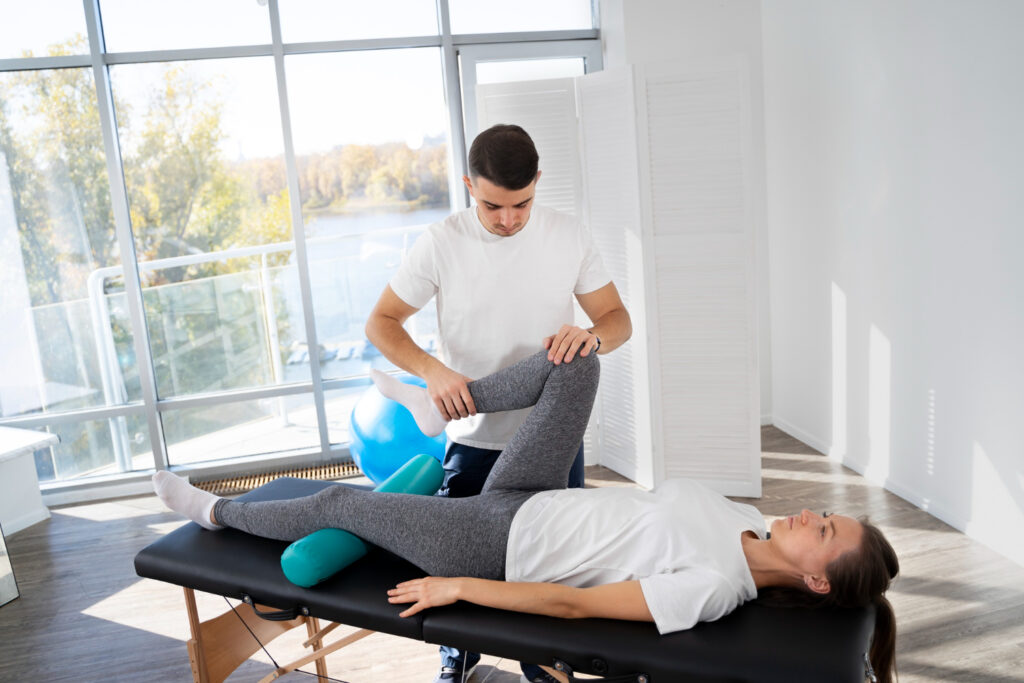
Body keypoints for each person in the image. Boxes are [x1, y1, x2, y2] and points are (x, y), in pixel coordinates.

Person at [154, 351, 900, 683]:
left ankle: (218, 511)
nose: (811, 513)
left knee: (344, 501)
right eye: (827, 512)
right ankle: (441, 403)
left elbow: (572, 604)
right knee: (579, 362)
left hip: (496, 544)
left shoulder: (712, 586)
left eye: (825, 530)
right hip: (535, 493)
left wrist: (460, 588)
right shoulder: (747, 516)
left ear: (815, 578)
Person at [364, 123, 632, 682]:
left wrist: (593, 338)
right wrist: (432, 370)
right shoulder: (440, 243)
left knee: (555, 571)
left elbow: (617, 319)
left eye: (521, 204)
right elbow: (381, 323)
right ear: (468, 185)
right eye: (492, 206)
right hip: (473, 439)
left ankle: (547, 669)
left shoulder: (569, 235)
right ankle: (456, 662)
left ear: (538, 182)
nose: (508, 219)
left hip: (552, 440)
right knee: (460, 564)